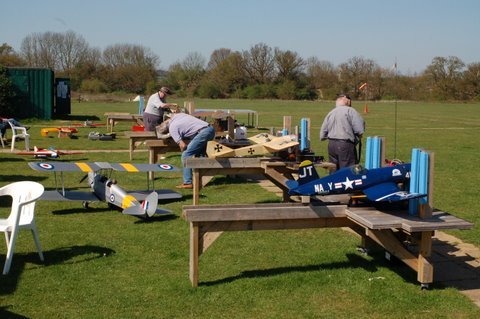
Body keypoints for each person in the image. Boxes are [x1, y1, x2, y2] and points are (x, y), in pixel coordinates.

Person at [161, 112, 216, 189]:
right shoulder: (178, 116)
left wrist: (183, 148)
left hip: (203, 132)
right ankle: (201, 178)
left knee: (186, 155)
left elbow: (183, 145)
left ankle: (187, 182)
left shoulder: (172, 129)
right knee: (200, 155)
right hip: (210, 129)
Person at [320, 94, 365, 170]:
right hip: (345, 144)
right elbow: (359, 129)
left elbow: (322, 133)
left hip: (331, 145)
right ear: (347, 101)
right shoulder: (350, 111)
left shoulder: (331, 112)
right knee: (347, 171)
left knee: (333, 170)